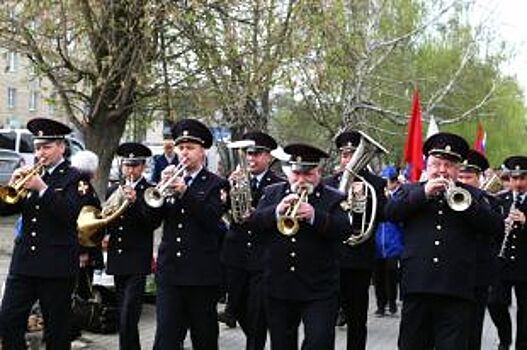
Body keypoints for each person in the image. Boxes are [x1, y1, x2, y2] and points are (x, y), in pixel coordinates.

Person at [385, 132, 503, 350]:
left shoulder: (474, 196)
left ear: (457, 169)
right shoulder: (410, 190)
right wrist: (423, 194)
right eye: (436, 164)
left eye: (448, 165)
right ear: (427, 166)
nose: (441, 170)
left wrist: (465, 203)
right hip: (417, 284)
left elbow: (495, 226)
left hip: (457, 288)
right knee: (411, 345)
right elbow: (390, 213)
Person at [0, 118, 97, 350]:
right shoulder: (30, 176)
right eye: (37, 147)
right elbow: (5, 210)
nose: (40, 153)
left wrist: (43, 189)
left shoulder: (76, 178)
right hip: (24, 263)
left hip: (56, 265)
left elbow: (71, 214)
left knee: (57, 329)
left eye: (46, 147)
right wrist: (13, 184)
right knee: (8, 319)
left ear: (61, 147)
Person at [249, 143, 349, 350]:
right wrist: (277, 211)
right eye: (296, 174)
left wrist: (314, 216)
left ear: (319, 171)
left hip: (319, 287)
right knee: (282, 344)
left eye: (308, 174)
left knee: (318, 342)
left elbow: (344, 230)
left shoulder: (334, 197)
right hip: (279, 285)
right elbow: (254, 224)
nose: (301, 180)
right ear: (289, 171)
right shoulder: (272, 193)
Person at [147, 118, 228, 350]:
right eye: (181, 147)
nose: (184, 153)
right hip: (170, 272)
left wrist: (186, 192)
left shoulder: (216, 184)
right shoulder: (168, 180)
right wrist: (160, 191)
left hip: (201, 275)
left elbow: (212, 220)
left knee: (204, 337)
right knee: (166, 338)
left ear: (203, 151)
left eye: (190, 148)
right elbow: (152, 221)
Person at [220, 131, 284, 350]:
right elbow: (225, 211)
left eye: (257, 154)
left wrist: (258, 215)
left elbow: (278, 219)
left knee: (257, 315)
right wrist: (228, 190)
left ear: (269, 157)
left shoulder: (278, 184)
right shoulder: (235, 179)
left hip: (261, 259)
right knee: (235, 309)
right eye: (248, 153)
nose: (251, 158)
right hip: (235, 256)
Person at [324, 131, 386, 350]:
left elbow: (382, 216)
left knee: (357, 319)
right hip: (329, 260)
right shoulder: (328, 183)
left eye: (353, 154)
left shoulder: (376, 184)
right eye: (344, 155)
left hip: (358, 260)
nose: (347, 160)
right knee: (324, 319)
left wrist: (363, 202)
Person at [105, 142, 158, 350]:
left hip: (137, 258)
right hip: (117, 257)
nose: (130, 170)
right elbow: (105, 218)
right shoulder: (113, 189)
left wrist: (135, 202)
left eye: (135, 165)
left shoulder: (150, 190)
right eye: (127, 165)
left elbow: (151, 223)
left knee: (129, 314)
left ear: (143, 166)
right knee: (122, 314)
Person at [457, 149, 500, 350]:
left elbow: (495, 232)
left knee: (473, 330)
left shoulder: (489, 202)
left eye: (469, 177)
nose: (464, 181)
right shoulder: (446, 199)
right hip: (451, 277)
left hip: (477, 276)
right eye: (460, 176)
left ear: (479, 178)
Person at [487, 155, 527, 350]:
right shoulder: (499, 200)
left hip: (525, 264)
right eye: (514, 178)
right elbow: (488, 228)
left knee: (525, 310)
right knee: (494, 303)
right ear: (508, 179)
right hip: (501, 264)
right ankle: (505, 337)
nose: (518, 183)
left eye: (522, 178)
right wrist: (500, 225)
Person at [373, 166, 403, 317]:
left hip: (394, 244)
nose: (384, 185)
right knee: (378, 277)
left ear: (394, 182)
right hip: (377, 244)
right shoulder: (375, 197)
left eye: (387, 182)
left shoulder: (400, 196)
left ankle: (392, 304)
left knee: (391, 276)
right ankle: (380, 305)